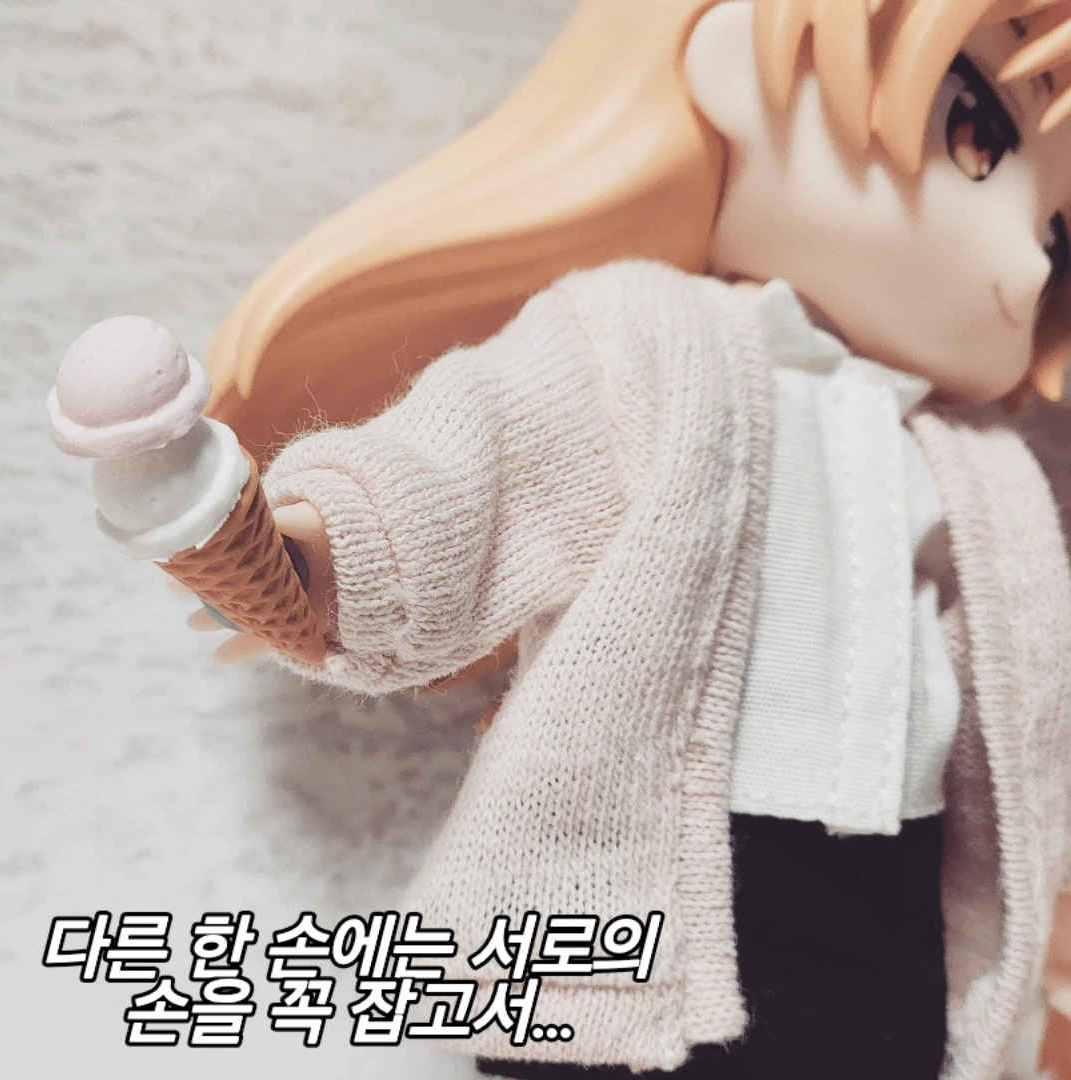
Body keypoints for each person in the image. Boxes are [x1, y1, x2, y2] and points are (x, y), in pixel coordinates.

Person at [184, 1, 1071, 1075]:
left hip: (896, 877)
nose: (1030, 267)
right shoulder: (648, 340)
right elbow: (484, 456)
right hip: (659, 862)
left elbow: (1023, 703)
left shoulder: (980, 470)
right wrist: (316, 553)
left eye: (1060, 238)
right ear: (739, 56)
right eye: (976, 132)